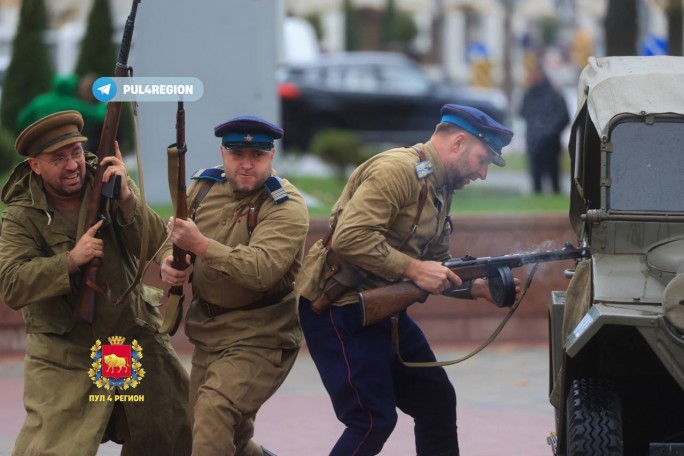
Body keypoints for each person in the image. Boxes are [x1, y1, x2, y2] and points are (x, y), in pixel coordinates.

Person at [296, 104, 519, 456]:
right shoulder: (397, 171)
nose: (483, 174)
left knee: (436, 400)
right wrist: (414, 270)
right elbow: (350, 237)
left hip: (383, 308)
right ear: (459, 142)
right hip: (339, 305)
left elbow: (436, 265)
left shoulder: (441, 186)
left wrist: (474, 288)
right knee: (371, 419)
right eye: (483, 160)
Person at [0, 110, 192, 455]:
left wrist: (128, 201)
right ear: (35, 166)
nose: (72, 164)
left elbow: (152, 244)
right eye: (58, 158)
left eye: (75, 152)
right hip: (66, 349)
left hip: (126, 337)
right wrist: (71, 260)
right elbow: (11, 284)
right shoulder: (21, 214)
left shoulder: (108, 181)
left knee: (173, 428)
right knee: (53, 447)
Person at [158, 115, 309, 456]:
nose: (245, 165)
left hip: (262, 335)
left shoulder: (286, 206)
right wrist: (172, 261)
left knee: (214, 413)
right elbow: (176, 238)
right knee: (213, 434)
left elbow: (262, 270)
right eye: (237, 154)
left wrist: (200, 246)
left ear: (271, 156)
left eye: (256, 156)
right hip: (210, 332)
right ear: (222, 152)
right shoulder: (204, 187)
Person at [16, 73, 106, 152]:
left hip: (40, 142)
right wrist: (103, 103)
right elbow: (98, 115)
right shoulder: (73, 103)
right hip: (64, 143)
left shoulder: (40, 100)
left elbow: (22, 118)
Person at [519, 59, 570, 194]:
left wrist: (549, 130)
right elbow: (523, 113)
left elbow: (563, 117)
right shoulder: (529, 94)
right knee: (536, 179)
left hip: (551, 143)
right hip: (534, 142)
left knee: (554, 177)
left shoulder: (554, 94)